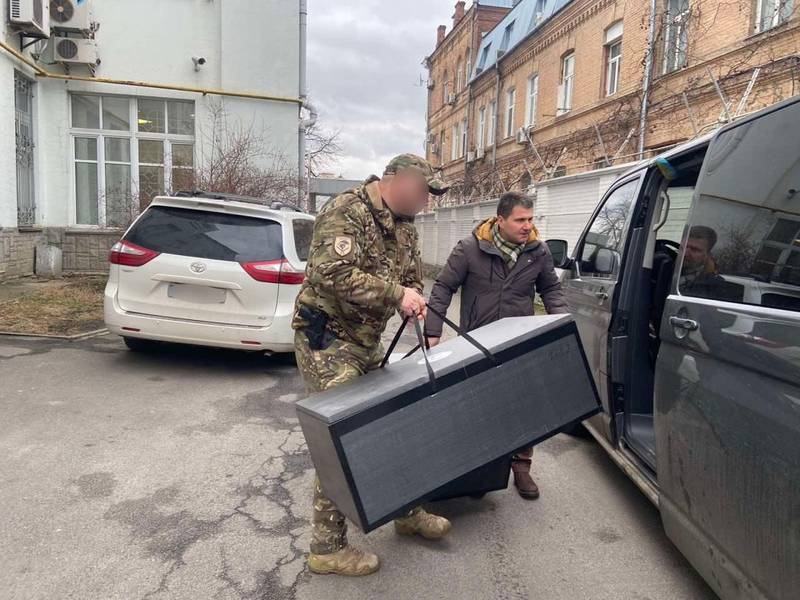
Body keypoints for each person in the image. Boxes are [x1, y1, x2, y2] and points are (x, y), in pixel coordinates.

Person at [293, 154, 453, 577]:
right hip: (327, 340)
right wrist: (396, 295)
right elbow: (330, 272)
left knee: (394, 421)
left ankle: (405, 510)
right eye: (423, 191)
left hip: (365, 341)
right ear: (396, 180)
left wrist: (412, 298)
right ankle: (326, 548)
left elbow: (413, 278)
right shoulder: (347, 210)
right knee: (344, 434)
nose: (425, 201)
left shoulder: (404, 227)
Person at [424, 191, 568, 500]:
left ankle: (521, 466)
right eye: (520, 219)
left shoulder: (538, 252)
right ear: (500, 220)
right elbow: (444, 287)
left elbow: (551, 290)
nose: (527, 225)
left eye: (530, 219)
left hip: (519, 342)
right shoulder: (469, 248)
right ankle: (481, 469)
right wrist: (432, 330)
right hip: (476, 340)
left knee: (521, 407)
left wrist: (562, 327)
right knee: (478, 406)